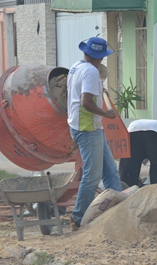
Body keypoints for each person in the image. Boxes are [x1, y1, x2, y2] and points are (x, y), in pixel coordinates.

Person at [67, 37, 122, 231]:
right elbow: (86, 102)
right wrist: (106, 113)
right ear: (100, 57)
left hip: (86, 127)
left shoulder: (77, 67)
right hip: (87, 128)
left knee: (110, 171)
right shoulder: (91, 71)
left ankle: (118, 211)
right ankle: (78, 218)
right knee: (92, 176)